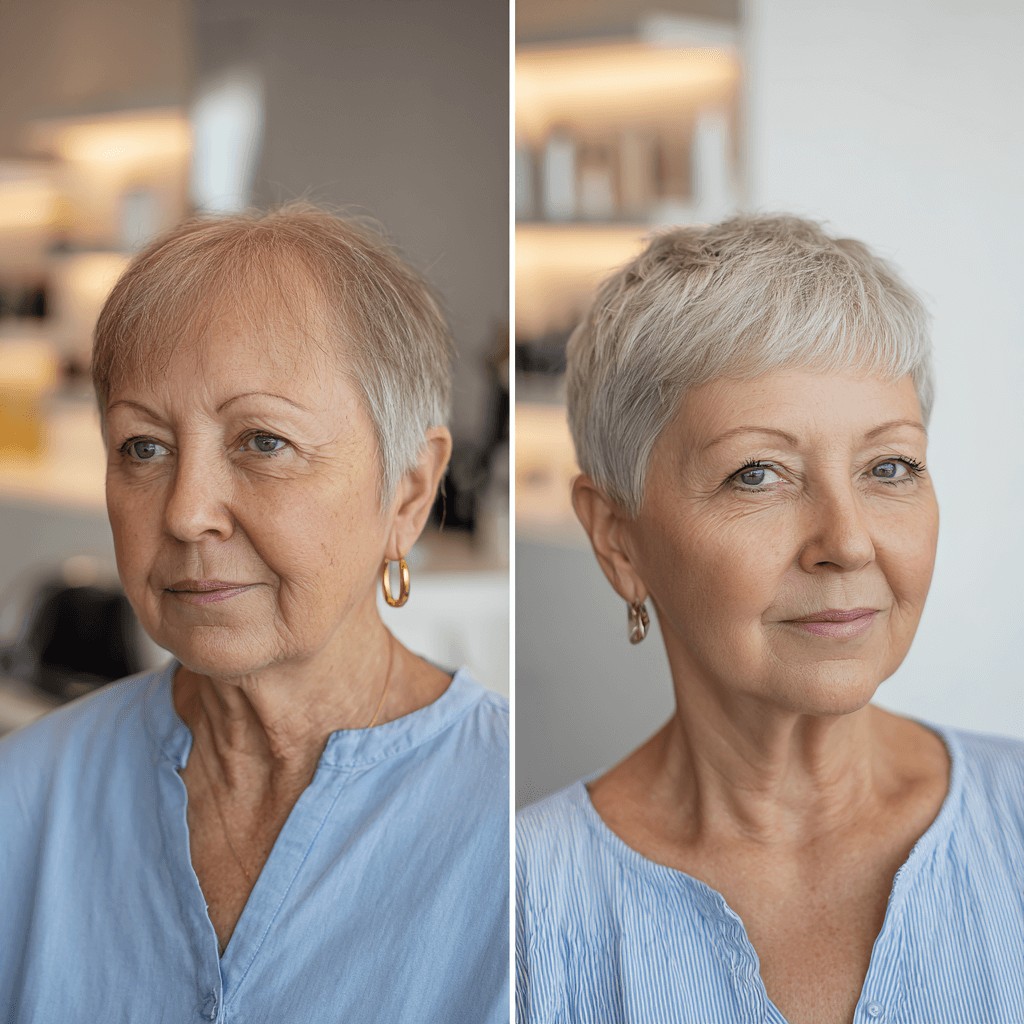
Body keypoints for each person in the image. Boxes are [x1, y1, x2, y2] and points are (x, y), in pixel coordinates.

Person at [0, 206, 508, 1023]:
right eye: (143, 447)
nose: (185, 513)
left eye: (263, 441)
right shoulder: (26, 799)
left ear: (410, 491)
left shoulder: (521, 841)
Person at [516, 215, 1024, 1024]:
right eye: (758, 474)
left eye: (890, 467)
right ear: (618, 539)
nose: (847, 542)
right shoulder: (522, 910)